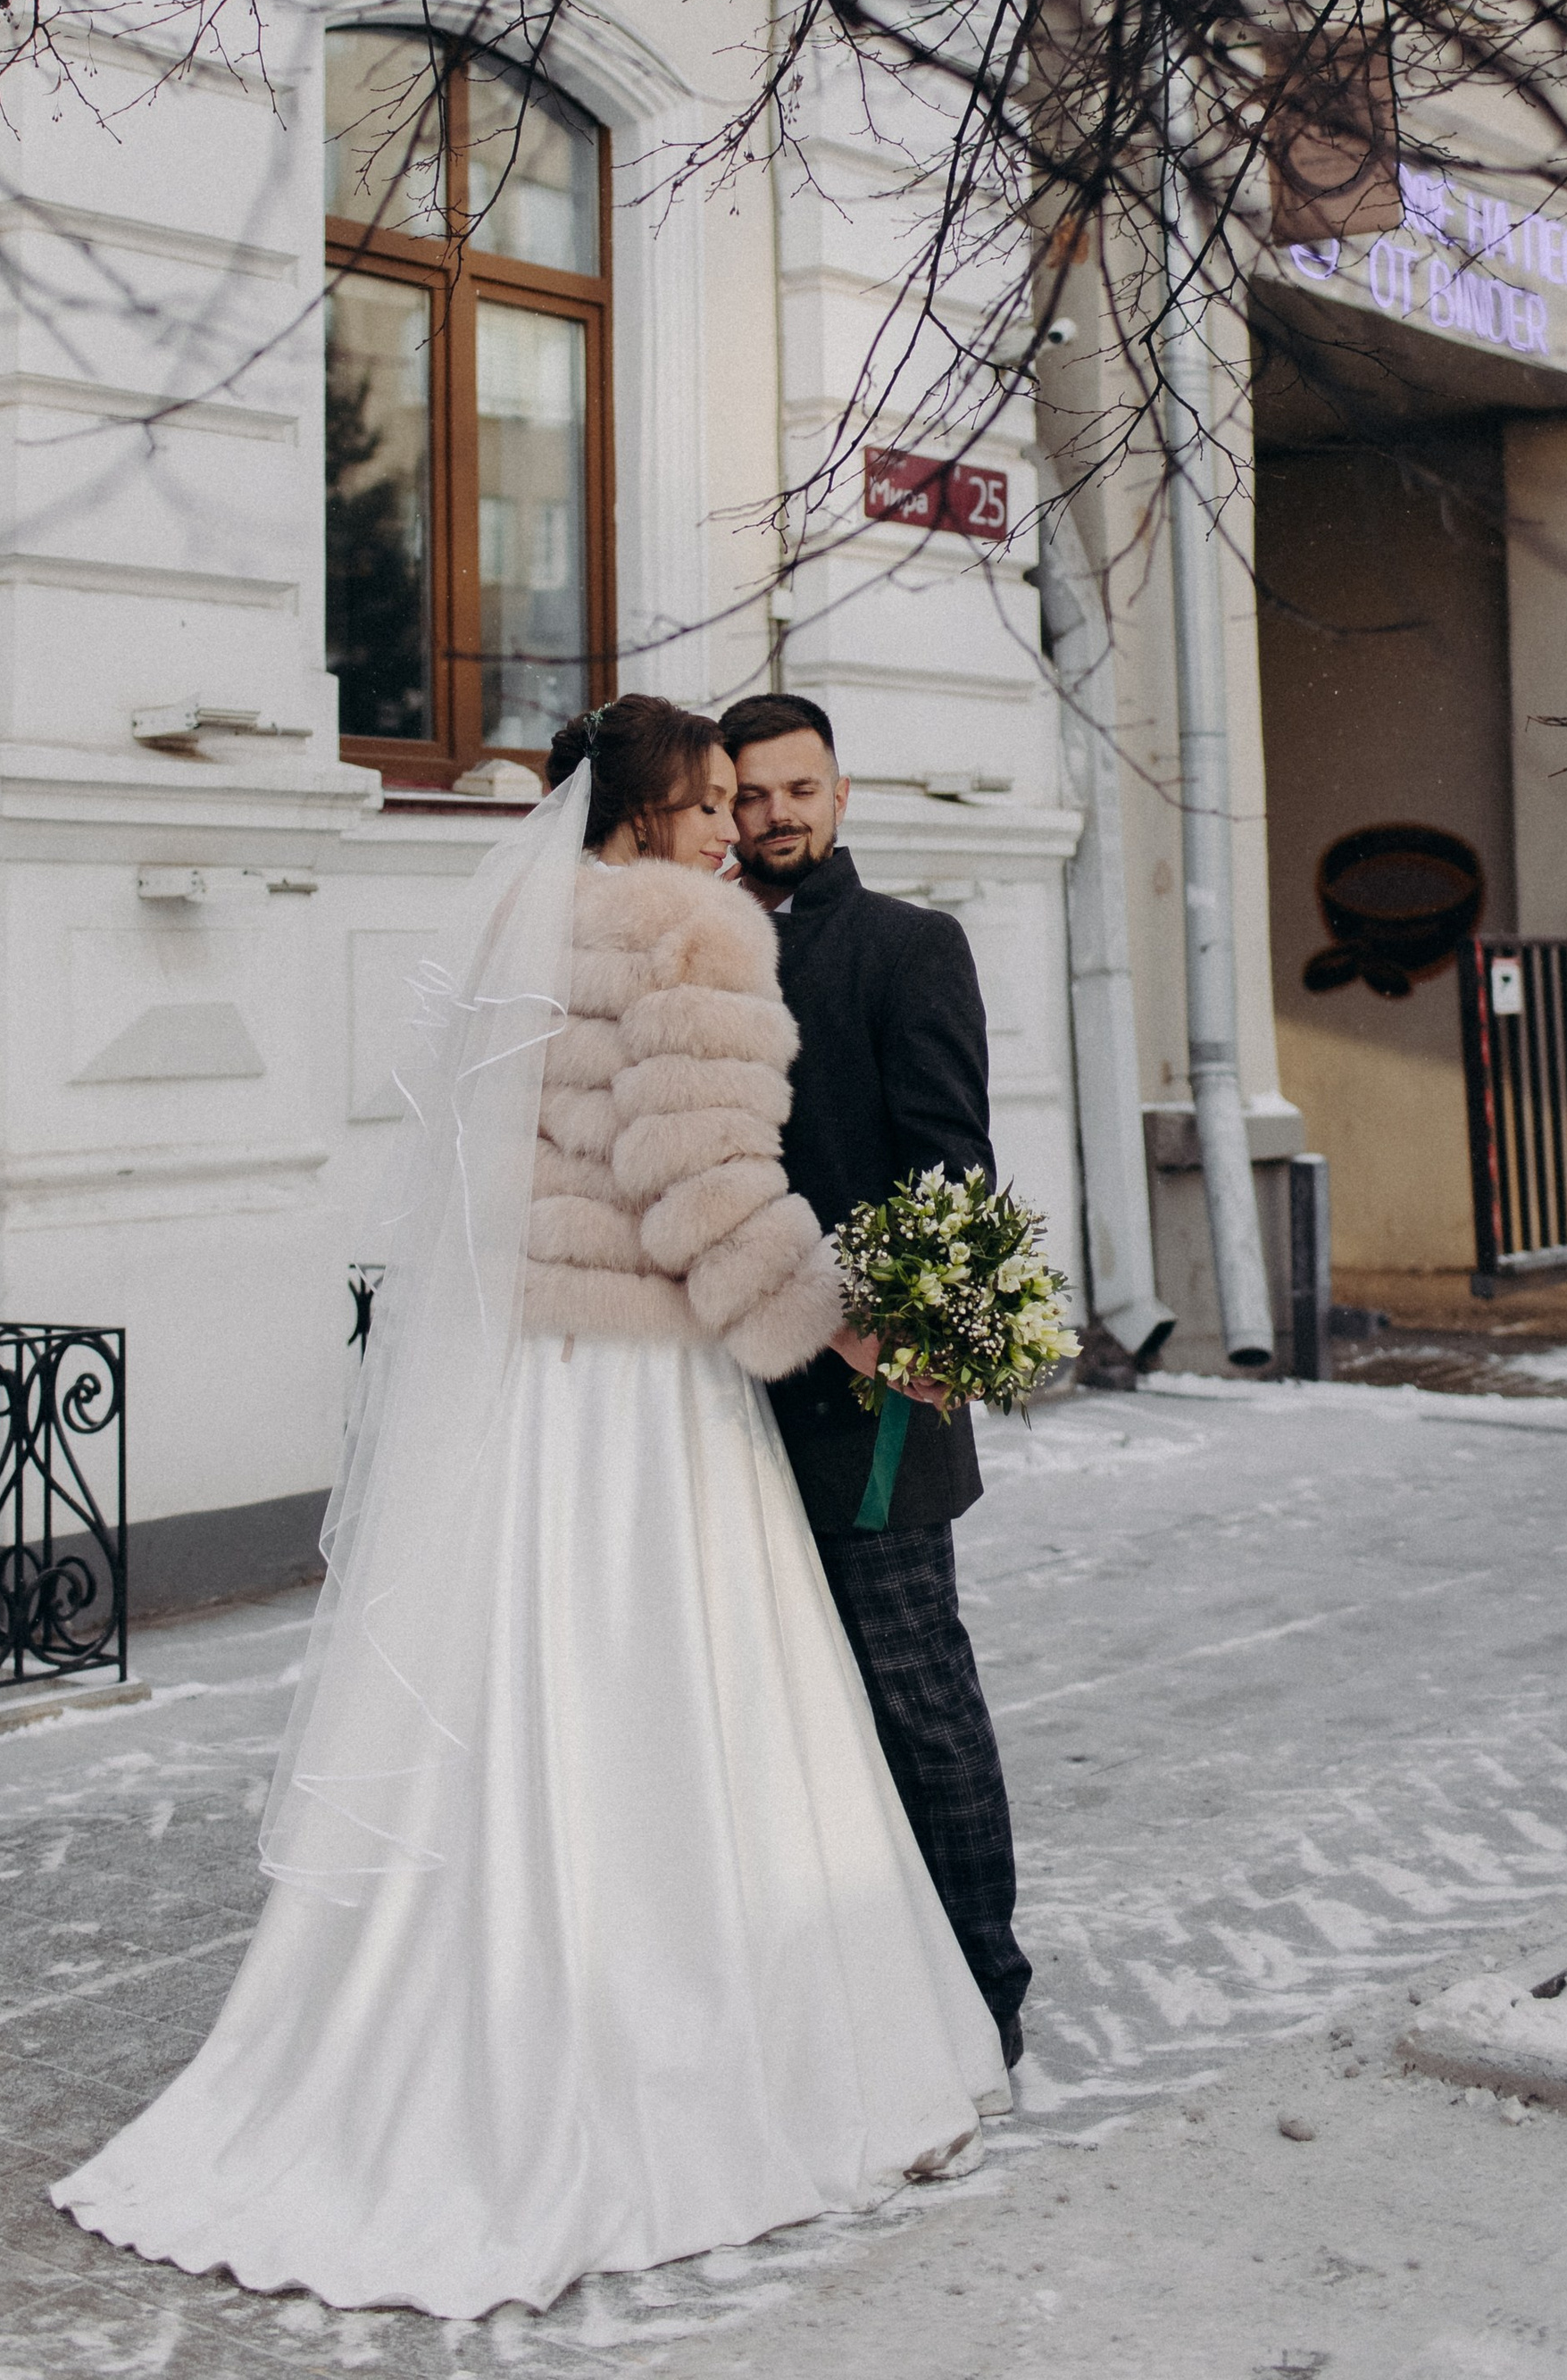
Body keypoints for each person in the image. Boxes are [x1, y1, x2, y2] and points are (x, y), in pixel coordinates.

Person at [51, 695, 1005, 2318]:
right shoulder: (691, 936)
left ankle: (470, 2016)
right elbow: (708, 1188)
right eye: (708, 802)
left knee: (542, 1696)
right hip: (651, 1393)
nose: (730, 830)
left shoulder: (524, 933)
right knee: (686, 1701)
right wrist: (843, 1325)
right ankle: (697, 2055)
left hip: (539, 1389)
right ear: (644, 817)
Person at [720, 690, 1034, 2070]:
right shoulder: (703, 954)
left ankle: (984, 1998)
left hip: (870, 1399)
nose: (776, 815)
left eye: (799, 789)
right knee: (780, 1715)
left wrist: (916, 1347)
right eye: (749, 796)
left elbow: (950, 1164)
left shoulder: (913, 947)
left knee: (918, 1703)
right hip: (726, 1405)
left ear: (841, 794)